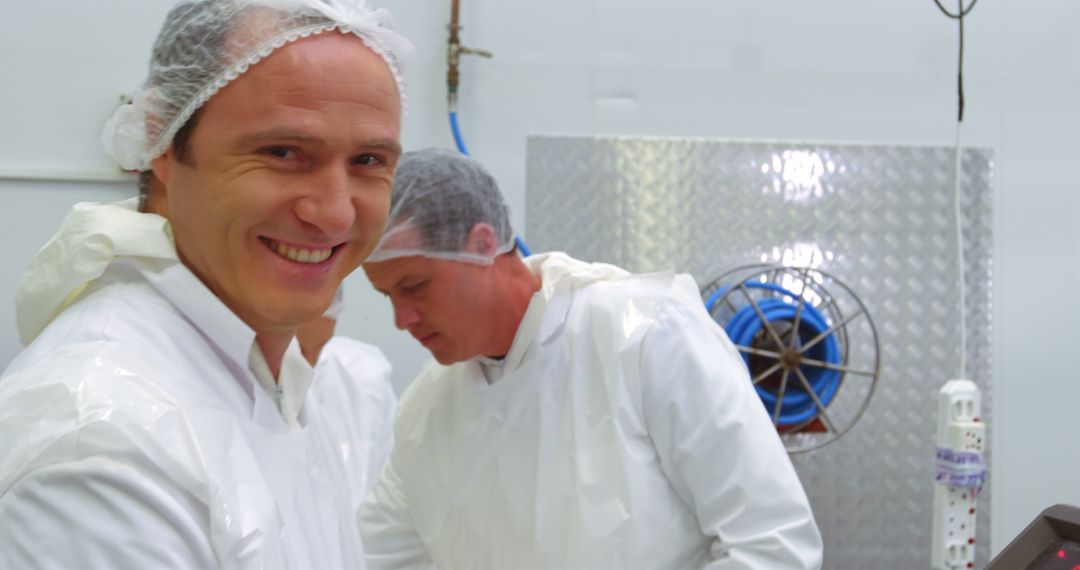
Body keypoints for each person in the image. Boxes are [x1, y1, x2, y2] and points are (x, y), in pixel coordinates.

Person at [0, 1, 409, 568]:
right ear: (163, 142)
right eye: (283, 152)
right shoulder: (104, 447)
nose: (335, 214)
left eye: (368, 160)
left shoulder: (267, 376)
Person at [358, 148, 824, 570]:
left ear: (482, 245)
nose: (403, 318)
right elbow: (371, 554)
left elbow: (773, 546)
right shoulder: (428, 409)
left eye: (415, 286)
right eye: (386, 296)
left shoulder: (644, 336)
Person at [298, 287, 398, 496]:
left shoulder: (365, 379)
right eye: (295, 349)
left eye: (319, 348)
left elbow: (390, 493)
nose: (307, 363)